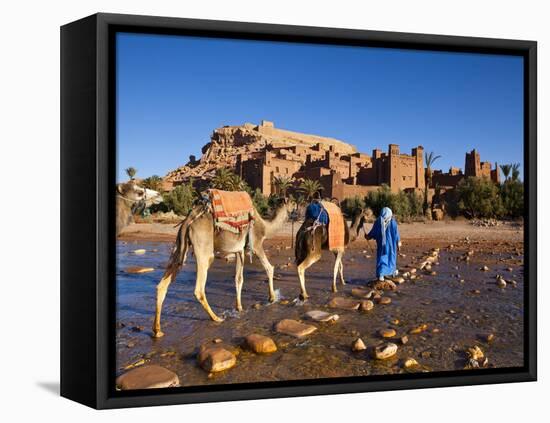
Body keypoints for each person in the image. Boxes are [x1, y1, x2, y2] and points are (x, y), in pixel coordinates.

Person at [366, 207, 401, 281]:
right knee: (390, 258)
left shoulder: (378, 222)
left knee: (382, 258)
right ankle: (387, 273)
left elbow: (373, 232)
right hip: (391, 246)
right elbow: (396, 234)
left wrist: (368, 236)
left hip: (382, 246)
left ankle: (382, 274)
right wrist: (398, 243)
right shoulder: (392, 222)